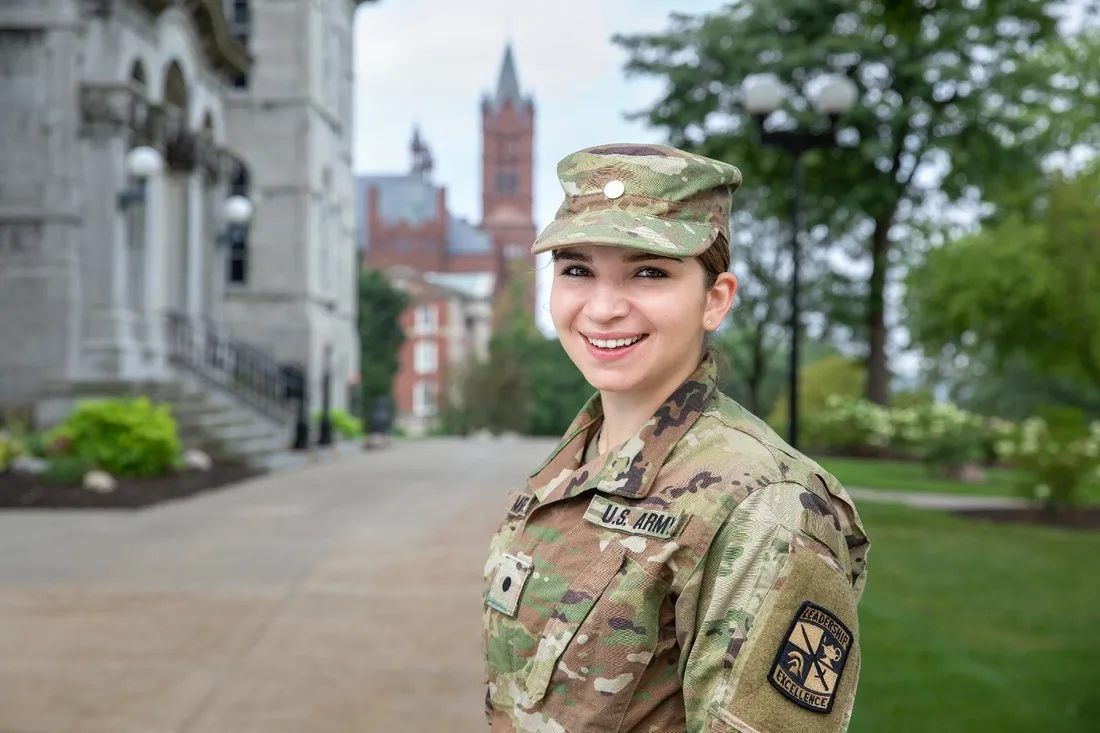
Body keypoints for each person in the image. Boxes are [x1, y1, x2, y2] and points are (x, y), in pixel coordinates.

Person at [481, 143, 871, 733]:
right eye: (577, 270)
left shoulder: (767, 505)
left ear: (715, 299)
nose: (604, 307)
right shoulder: (577, 461)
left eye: (649, 272)